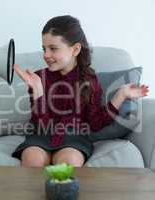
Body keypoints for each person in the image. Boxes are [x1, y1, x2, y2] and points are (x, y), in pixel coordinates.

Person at [12, 15, 149, 167]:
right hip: (41, 135)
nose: (46, 55)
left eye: (53, 48)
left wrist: (121, 94)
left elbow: (96, 123)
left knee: (68, 162)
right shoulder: (38, 78)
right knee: (33, 160)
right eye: (44, 49)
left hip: (74, 138)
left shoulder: (89, 80)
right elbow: (41, 124)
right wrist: (37, 91)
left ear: (75, 49)